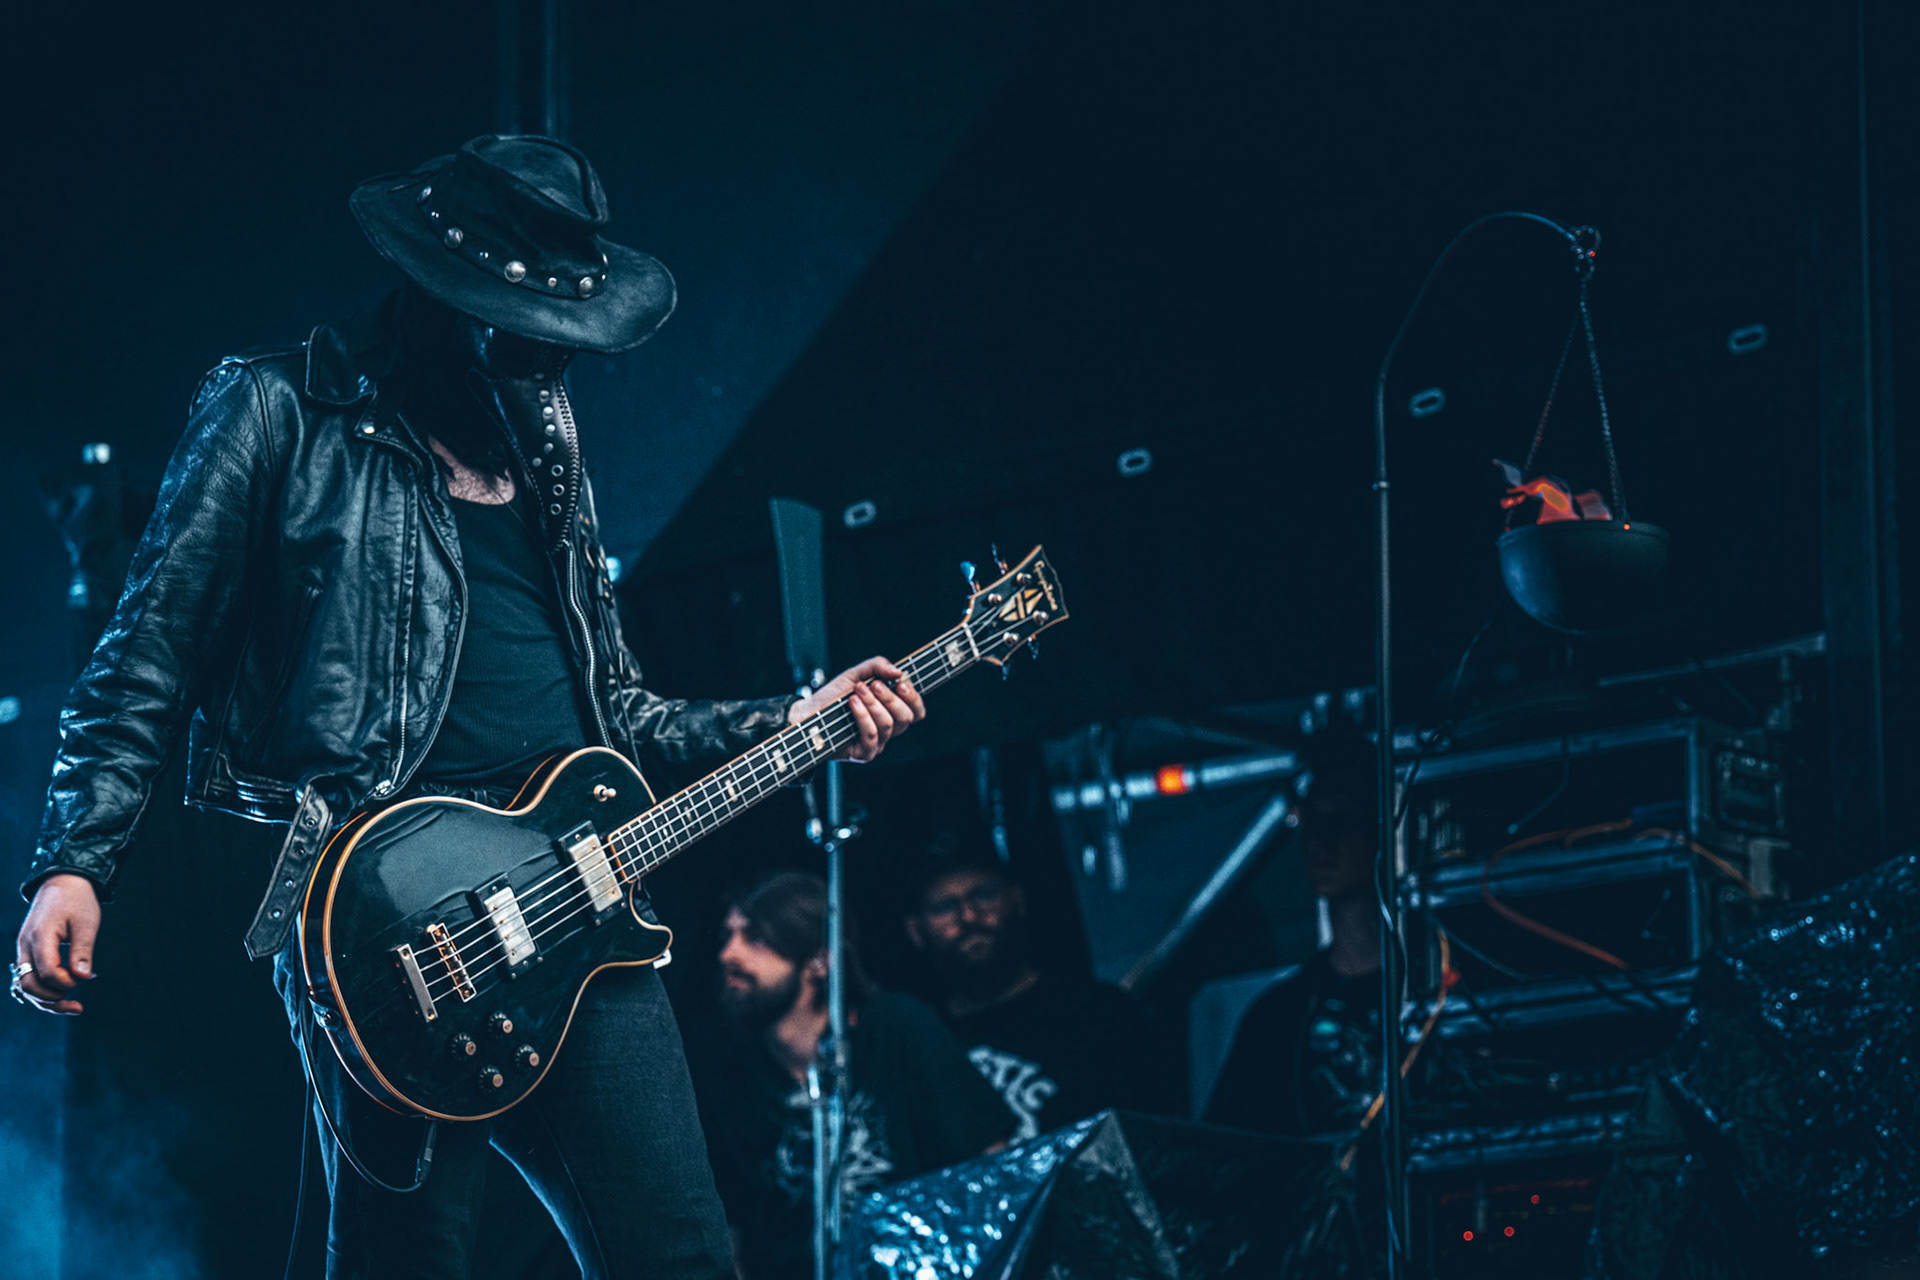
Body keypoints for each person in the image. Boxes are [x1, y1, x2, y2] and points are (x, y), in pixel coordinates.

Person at [10, 135, 927, 1280]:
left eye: (562, 335)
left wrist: (795, 720)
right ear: (439, 294)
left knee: (681, 1251)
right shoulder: (278, 408)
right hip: (385, 910)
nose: (548, 358)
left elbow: (621, 714)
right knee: (407, 1258)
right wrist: (75, 861)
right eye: (520, 329)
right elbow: (144, 652)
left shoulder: (546, 443)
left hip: (580, 895)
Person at [701, 871, 1012, 1280]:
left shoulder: (895, 1027)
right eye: (728, 937)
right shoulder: (734, 1082)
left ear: (819, 960)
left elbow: (993, 1165)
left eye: (755, 939)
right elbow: (733, 1234)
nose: (729, 955)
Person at [903, 854, 1177, 1141]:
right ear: (915, 930)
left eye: (983, 895)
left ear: (1017, 899)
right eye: (945, 907)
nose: (969, 916)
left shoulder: (1101, 1012)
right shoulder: (915, 1046)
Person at [1203, 736, 1382, 1137]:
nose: (1322, 843)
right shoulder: (1277, 1018)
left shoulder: (1435, 987)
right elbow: (1223, 1146)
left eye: (1342, 820)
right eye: (1312, 823)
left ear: (1381, 827)